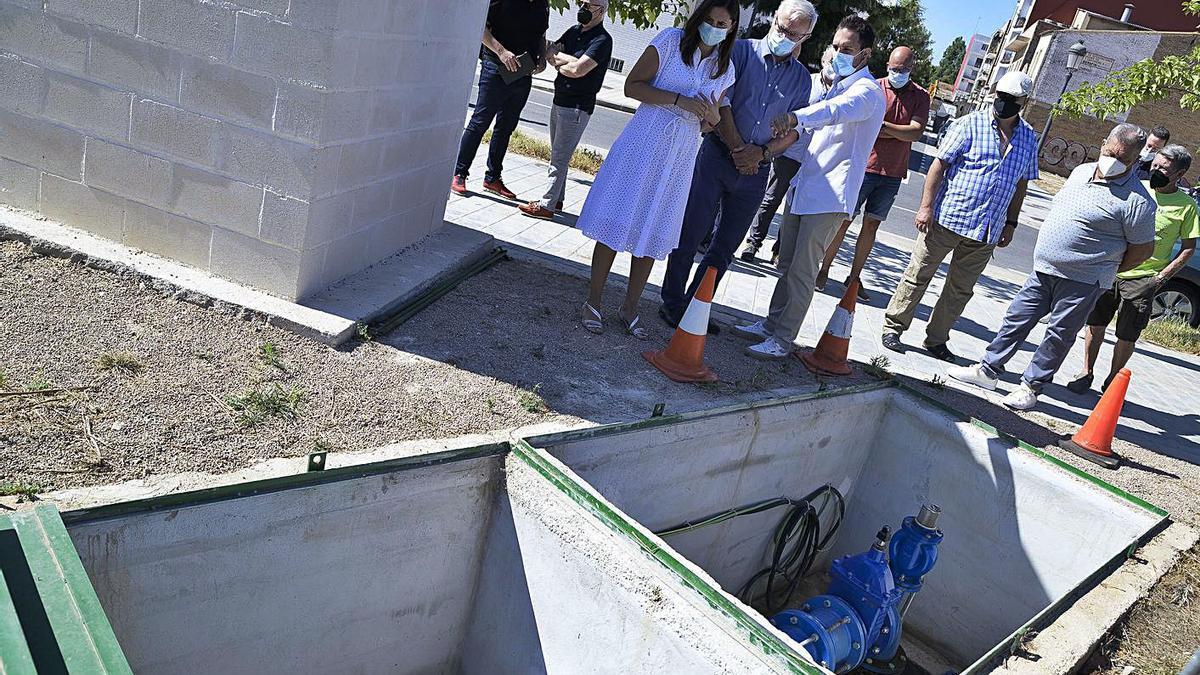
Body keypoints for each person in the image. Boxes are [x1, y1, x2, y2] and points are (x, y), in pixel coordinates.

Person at [947, 125, 1156, 410]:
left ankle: (1031, 387)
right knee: (1016, 319)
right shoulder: (1081, 171)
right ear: (1103, 141)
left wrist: (1103, 267)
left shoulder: (1137, 200)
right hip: (1044, 269)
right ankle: (988, 370)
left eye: (1124, 159)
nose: (1114, 160)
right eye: (1110, 152)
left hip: (1084, 281)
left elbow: (1143, 250)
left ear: (1134, 160)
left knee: (1058, 335)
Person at [574, 0, 735, 338]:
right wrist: (677, 100)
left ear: (732, 27)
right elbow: (632, 85)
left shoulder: (725, 67)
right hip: (644, 140)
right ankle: (593, 300)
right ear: (698, 18)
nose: (715, 28)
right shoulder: (670, 41)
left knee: (653, 228)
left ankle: (630, 307)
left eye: (723, 23)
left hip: (679, 155)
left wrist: (714, 119)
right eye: (710, 20)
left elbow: (708, 123)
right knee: (616, 218)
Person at [733, 15, 887, 360]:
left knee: (804, 271)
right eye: (835, 46)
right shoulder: (837, 84)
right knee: (786, 263)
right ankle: (771, 324)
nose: (837, 54)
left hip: (830, 194)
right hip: (806, 185)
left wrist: (797, 117)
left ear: (865, 54)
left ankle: (783, 339)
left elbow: (834, 112)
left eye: (846, 49)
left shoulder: (867, 92)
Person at [658, 0, 818, 332]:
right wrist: (737, 148)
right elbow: (721, 99)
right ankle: (672, 302)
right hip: (717, 155)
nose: (785, 36)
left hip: (756, 171)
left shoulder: (803, 80)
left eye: (795, 33)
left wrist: (760, 154)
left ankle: (696, 307)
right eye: (782, 27)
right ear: (774, 19)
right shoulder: (740, 51)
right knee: (690, 232)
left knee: (725, 247)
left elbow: (797, 131)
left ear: (807, 36)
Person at [879, 71, 1040, 362]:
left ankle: (937, 339)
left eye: (1011, 100)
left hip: (987, 230)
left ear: (1024, 102)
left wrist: (1012, 223)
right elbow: (938, 166)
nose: (1003, 103)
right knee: (918, 276)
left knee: (960, 290)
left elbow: (1021, 184)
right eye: (1000, 97)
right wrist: (926, 207)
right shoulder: (969, 124)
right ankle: (894, 327)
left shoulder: (1029, 138)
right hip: (947, 218)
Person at [1070, 144, 1199, 393]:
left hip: (1144, 277)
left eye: (1164, 168)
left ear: (1179, 175)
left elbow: (1188, 248)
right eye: (1156, 164)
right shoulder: (1137, 187)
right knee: (1095, 323)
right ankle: (1086, 372)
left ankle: (1111, 382)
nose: (1157, 170)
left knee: (1127, 334)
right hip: (1112, 267)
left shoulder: (1186, 206)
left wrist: (1160, 278)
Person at [814, 45, 930, 301]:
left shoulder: (920, 96)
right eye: (893, 68)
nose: (897, 73)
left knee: (871, 226)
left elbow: (914, 132)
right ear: (887, 64)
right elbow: (865, 123)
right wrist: (896, 130)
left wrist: (882, 125)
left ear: (912, 68)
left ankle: (854, 278)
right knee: (842, 221)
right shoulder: (874, 87)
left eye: (902, 69)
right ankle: (823, 270)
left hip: (892, 173)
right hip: (863, 166)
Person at [739, 47, 838, 264]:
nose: (833, 65)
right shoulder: (807, 83)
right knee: (771, 198)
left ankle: (780, 250)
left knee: (796, 206)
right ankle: (753, 243)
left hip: (816, 160)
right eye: (831, 59)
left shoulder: (840, 92)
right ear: (823, 60)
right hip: (790, 152)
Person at [518, 1, 613, 219]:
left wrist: (562, 62)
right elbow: (551, 51)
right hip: (560, 99)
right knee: (559, 153)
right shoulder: (573, 31)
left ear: (601, 11)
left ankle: (546, 205)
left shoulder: (602, 40)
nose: (584, 8)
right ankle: (557, 200)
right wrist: (566, 61)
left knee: (559, 157)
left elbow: (579, 70)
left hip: (577, 107)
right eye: (583, 3)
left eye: (590, 5)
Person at [451, 0, 550, 200]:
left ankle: (492, 178)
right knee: (480, 122)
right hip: (495, 67)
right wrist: (502, 52)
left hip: (523, 73)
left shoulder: (542, 3)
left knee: (506, 127)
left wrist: (541, 59)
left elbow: (541, 34)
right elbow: (481, 30)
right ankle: (459, 173)